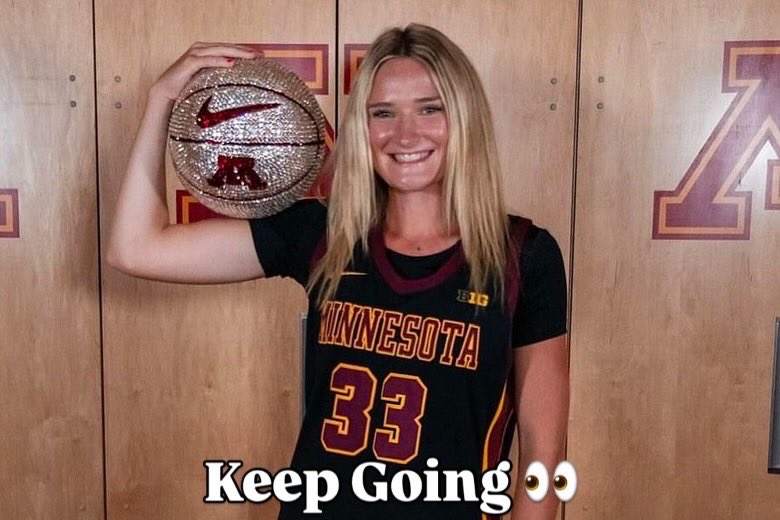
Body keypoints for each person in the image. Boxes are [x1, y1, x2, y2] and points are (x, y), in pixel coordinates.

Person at [108, 24, 568, 520]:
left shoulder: (523, 255)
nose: (405, 134)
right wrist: (161, 100)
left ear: (465, 118)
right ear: (362, 129)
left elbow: (543, 459)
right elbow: (135, 248)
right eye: (382, 113)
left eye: (430, 108)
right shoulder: (325, 234)